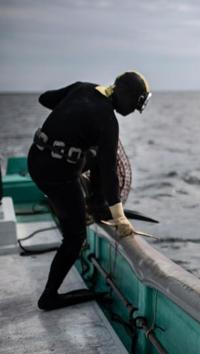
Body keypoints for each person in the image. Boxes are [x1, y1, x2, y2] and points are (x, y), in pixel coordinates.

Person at [28, 71, 152, 311]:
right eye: (135, 105)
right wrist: (120, 217)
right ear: (127, 97)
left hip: (35, 160)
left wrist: (70, 117)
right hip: (58, 177)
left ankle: (96, 205)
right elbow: (109, 174)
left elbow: (45, 99)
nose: (134, 112)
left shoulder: (82, 87)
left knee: (92, 157)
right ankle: (49, 296)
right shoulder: (107, 121)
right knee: (75, 237)